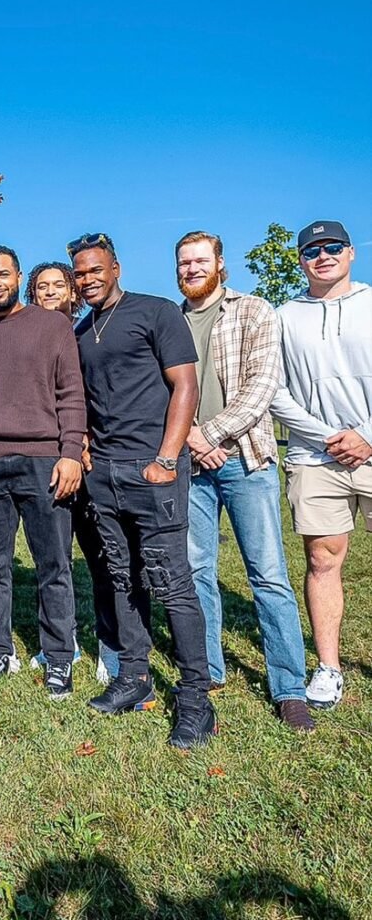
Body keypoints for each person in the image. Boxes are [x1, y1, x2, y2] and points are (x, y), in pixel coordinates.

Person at [70, 233, 216, 749]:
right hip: (104, 475)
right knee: (120, 576)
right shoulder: (82, 330)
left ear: (116, 267)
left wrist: (166, 458)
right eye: (80, 272)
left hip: (153, 470)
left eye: (96, 269)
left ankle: (197, 698)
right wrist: (85, 446)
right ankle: (134, 676)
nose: (88, 279)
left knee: (171, 581)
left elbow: (186, 387)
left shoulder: (156, 313)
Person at [176, 231, 312, 732]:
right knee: (196, 569)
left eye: (200, 260)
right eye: (184, 262)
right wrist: (190, 442)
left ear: (220, 264)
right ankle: (209, 669)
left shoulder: (253, 311)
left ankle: (289, 687)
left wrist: (208, 434)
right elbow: (160, 391)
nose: (191, 269)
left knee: (268, 574)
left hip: (245, 460)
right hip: (188, 465)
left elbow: (261, 388)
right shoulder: (170, 319)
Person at [0, 245, 85, 701]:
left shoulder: (52, 325)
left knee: (54, 565)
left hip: (44, 463)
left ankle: (60, 657)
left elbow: (71, 393)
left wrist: (68, 453)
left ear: (18, 277)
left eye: (2, 274)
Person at [271, 220, 372, 710]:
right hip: (316, 455)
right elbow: (275, 389)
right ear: (301, 260)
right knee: (322, 559)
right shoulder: (285, 316)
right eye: (312, 250)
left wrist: (366, 437)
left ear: (351, 253)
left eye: (333, 247)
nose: (323, 255)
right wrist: (327, 436)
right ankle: (329, 668)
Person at [25, 261, 119, 684]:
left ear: (72, 292)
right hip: (49, 464)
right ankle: (61, 642)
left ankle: (112, 646)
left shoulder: (86, 334)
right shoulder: (25, 341)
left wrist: (83, 442)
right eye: (41, 286)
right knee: (53, 558)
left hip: (92, 461)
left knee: (103, 559)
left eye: (57, 285)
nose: (49, 292)